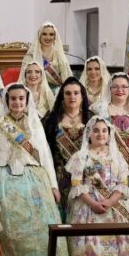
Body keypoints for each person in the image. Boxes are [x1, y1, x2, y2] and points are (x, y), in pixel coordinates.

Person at [0, 83, 64, 256]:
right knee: (7, 231)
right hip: (3, 180)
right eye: (13, 99)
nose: (17, 102)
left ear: (27, 101)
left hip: (33, 179)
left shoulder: (34, 123)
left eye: (21, 99)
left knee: (39, 231)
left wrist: (54, 185)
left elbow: (45, 155)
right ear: (7, 101)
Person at [64, 116, 129, 256]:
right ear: (89, 134)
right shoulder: (80, 157)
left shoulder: (116, 156)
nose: (101, 134)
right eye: (96, 131)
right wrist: (93, 204)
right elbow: (77, 185)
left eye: (104, 131)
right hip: (88, 206)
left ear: (109, 134)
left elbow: (123, 182)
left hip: (115, 204)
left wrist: (111, 200)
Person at [43, 76, 91, 212]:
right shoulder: (50, 120)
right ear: (62, 96)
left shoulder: (92, 118)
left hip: (85, 175)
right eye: (68, 93)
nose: (72, 97)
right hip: (58, 175)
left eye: (76, 93)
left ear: (82, 96)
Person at [95, 73, 129, 181]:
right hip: (107, 165)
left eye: (124, 86)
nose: (119, 90)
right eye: (115, 86)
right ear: (109, 89)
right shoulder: (99, 110)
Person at [25, 21, 73, 91]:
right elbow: (24, 79)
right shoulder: (30, 56)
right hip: (38, 92)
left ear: (55, 37)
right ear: (39, 36)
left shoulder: (60, 55)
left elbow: (68, 79)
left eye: (51, 34)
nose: (48, 37)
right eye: (44, 34)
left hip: (58, 92)